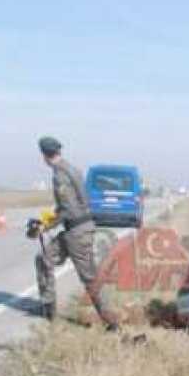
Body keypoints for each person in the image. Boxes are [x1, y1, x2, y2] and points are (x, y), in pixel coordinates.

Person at [30, 136, 120, 331]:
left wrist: (47, 226)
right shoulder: (71, 169)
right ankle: (49, 308)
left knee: (89, 278)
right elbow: (71, 204)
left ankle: (111, 322)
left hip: (77, 232)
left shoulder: (60, 175)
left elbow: (69, 209)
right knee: (44, 258)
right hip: (77, 229)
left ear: (44, 155)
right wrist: (50, 219)